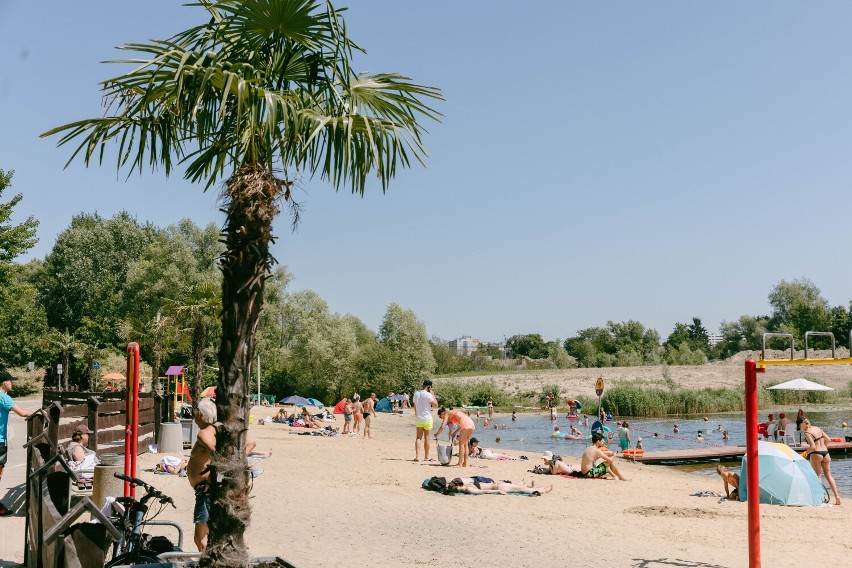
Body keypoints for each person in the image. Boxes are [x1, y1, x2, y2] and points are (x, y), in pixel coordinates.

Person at [0, 371, 33, 515]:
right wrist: (38, 413)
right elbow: (22, 413)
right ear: (4, 382)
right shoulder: (3, 397)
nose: (12, 383)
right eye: (10, 381)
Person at [187, 397, 217, 551]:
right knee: (207, 537)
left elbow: (217, 455)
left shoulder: (204, 434)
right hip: (204, 490)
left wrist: (211, 479)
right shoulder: (213, 430)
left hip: (205, 491)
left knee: (200, 540)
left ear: (200, 414)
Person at [800, 418, 841, 505]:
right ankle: (837, 496)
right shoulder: (818, 428)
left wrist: (804, 454)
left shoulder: (807, 432)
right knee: (829, 475)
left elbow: (813, 447)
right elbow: (828, 440)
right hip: (826, 453)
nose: (799, 428)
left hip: (816, 454)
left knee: (818, 476)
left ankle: (821, 497)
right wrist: (823, 448)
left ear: (802, 424)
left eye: (799, 426)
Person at [412, 380, 438, 461]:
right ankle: (426, 457)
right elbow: (436, 405)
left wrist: (417, 414)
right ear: (429, 386)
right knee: (427, 438)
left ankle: (417, 456)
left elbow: (415, 406)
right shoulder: (428, 394)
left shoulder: (416, 393)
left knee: (418, 437)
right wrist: (433, 395)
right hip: (427, 418)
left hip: (419, 418)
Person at [445, 476, 552, 496]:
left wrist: (447, 486)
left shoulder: (467, 486)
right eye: (458, 487)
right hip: (499, 488)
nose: (460, 486)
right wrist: (497, 491)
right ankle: (543, 490)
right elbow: (485, 492)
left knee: (520, 487)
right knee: (521, 489)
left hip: (498, 484)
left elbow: (448, 485)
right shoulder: (469, 490)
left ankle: (535, 488)